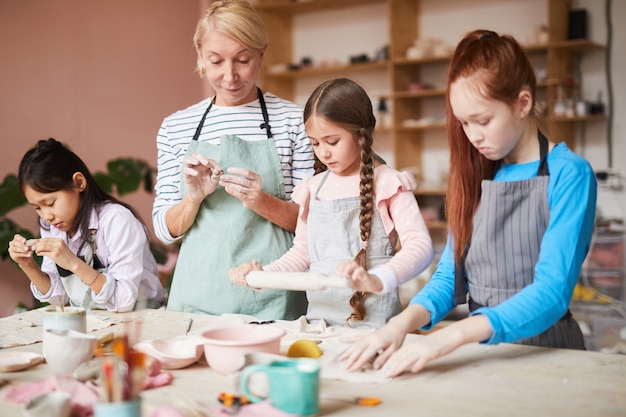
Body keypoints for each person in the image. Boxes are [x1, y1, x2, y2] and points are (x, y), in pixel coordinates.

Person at [339, 30, 597, 375]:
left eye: (483, 120)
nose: (473, 136)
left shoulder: (570, 174)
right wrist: (399, 326)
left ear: (522, 103)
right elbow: (448, 278)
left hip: (549, 354)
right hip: (486, 354)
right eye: (464, 122)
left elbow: (551, 294)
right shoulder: (476, 174)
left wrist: (450, 337)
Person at [152, 0, 314, 318]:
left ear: (262, 53)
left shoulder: (293, 121)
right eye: (216, 61)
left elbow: (313, 224)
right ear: (199, 54)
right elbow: (163, 229)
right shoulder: (175, 127)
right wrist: (193, 199)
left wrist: (261, 201)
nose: (230, 76)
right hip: (197, 293)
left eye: (242, 60)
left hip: (273, 291)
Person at [230, 78, 434, 328]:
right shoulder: (313, 188)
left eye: (332, 141)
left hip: (376, 326)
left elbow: (421, 247)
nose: (323, 153)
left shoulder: (389, 183)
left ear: (361, 133)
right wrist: (263, 275)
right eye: (315, 143)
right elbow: (302, 254)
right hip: (320, 324)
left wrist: (380, 278)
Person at [8, 138, 164, 312]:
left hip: (141, 320)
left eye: (51, 203)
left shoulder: (117, 220)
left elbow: (123, 300)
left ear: (79, 183)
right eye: (37, 208)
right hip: (95, 321)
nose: (47, 216)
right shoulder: (52, 227)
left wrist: (73, 263)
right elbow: (59, 298)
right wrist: (27, 264)